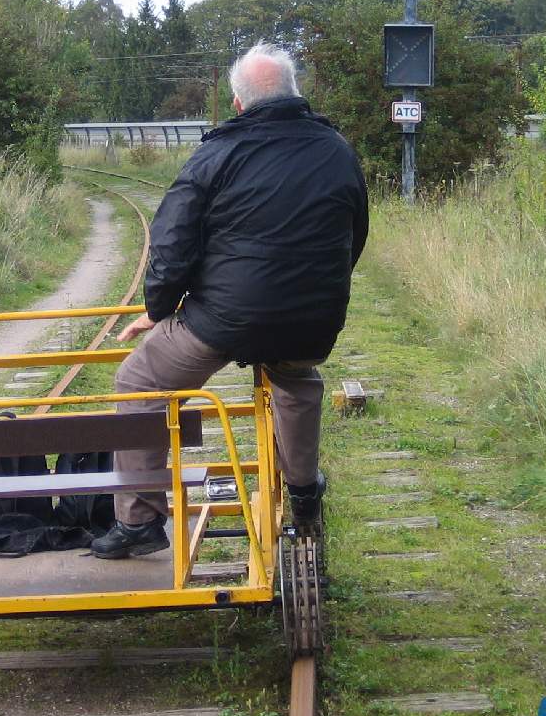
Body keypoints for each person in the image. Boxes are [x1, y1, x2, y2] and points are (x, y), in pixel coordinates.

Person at [91, 42, 369, 559]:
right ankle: (304, 490)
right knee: (295, 375)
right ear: (295, 93)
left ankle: (138, 521)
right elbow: (355, 232)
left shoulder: (217, 152)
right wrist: (317, 293)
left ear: (239, 103)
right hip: (312, 317)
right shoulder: (337, 150)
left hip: (225, 318)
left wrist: (158, 308)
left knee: (138, 380)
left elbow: (172, 241)